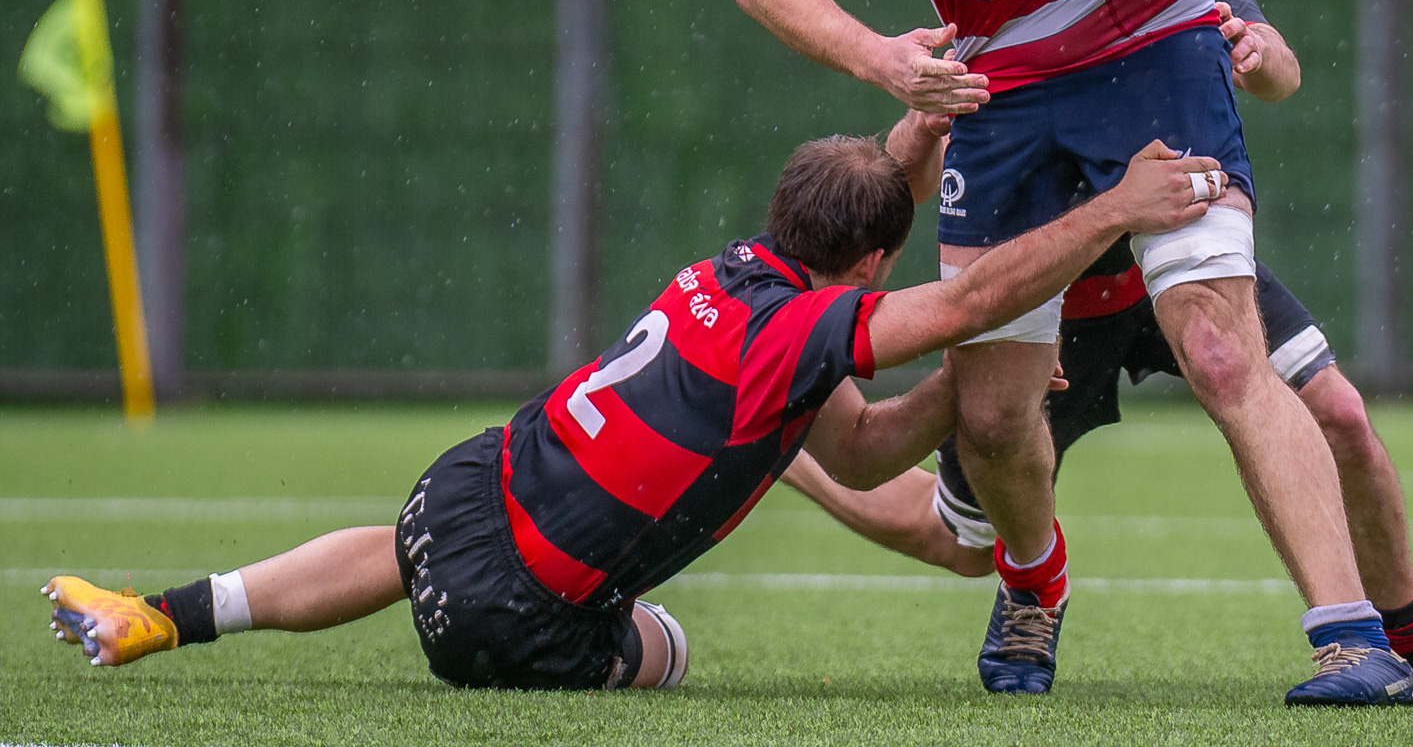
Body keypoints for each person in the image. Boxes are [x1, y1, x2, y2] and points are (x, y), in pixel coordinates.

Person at [733, 0, 1413, 705]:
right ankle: (1035, 582)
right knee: (996, 413)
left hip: (1156, 59)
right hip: (992, 94)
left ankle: (1354, 639)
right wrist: (884, 60)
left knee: (1221, 349)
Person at [44, 115, 1223, 691]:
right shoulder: (800, 334)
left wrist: (917, 125)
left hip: (465, 489)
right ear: (868, 265)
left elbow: (864, 425)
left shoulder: (734, 269)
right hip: (514, 623)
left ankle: (162, 613)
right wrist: (1116, 204)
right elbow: (967, 309)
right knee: (671, 648)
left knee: (412, 546)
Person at [784, 0, 1413, 688]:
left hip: (1176, 265)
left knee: (1340, 415)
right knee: (962, 535)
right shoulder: (992, 1)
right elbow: (911, 182)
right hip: (1054, 301)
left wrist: (1260, 53)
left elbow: (1281, 73)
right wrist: (921, 121)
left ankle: (1411, 636)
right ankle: (833, 485)